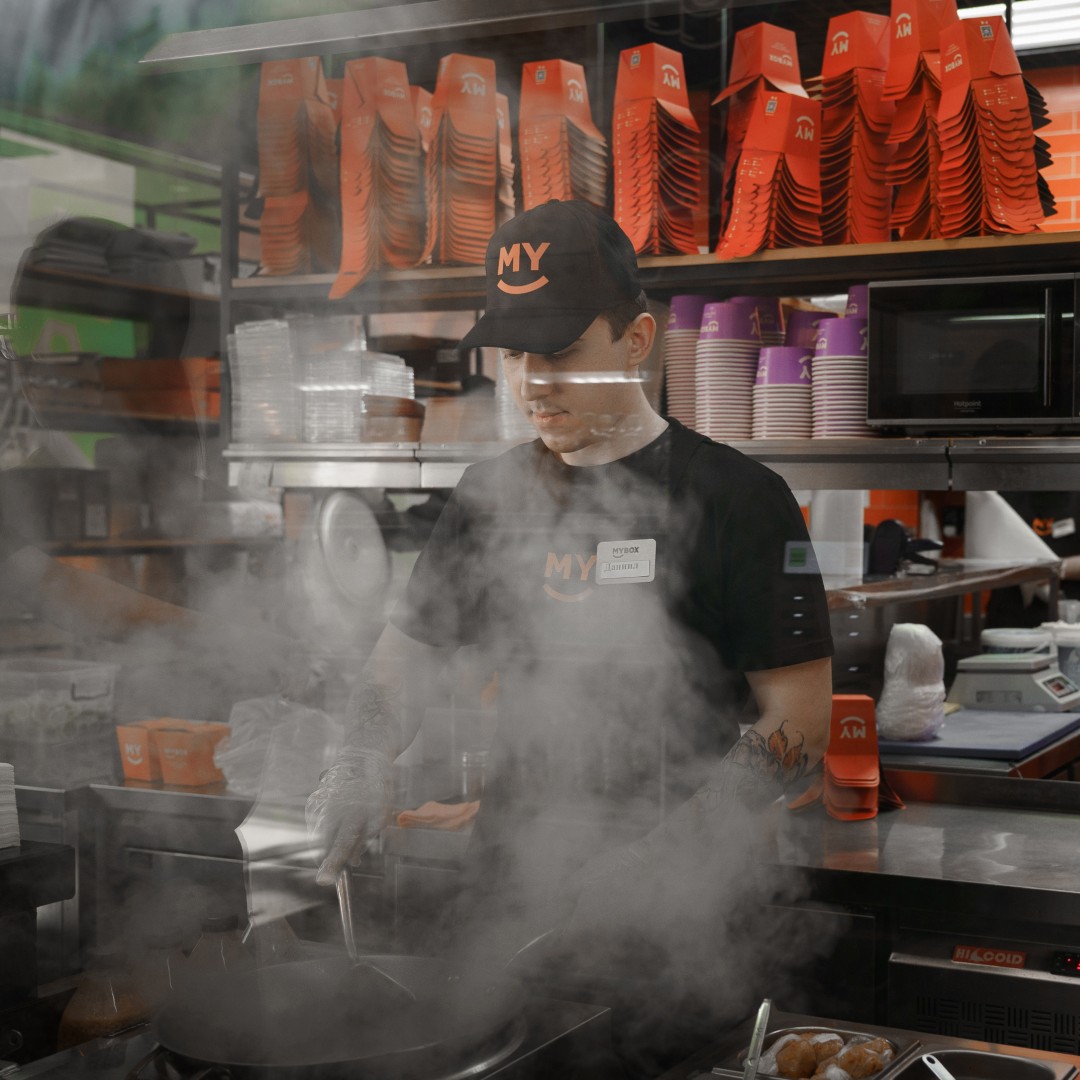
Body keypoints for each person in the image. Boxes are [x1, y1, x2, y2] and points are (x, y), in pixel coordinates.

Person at [306, 200, 834, 1075]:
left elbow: (802, 723)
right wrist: (360, 755)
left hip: (683, 924)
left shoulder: (741, 499)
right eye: (514, 355)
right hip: (512, 900)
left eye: (558, 353)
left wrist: (671, 853)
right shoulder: (487, 497)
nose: (531, 383)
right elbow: (402, 666)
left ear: (636, 341)